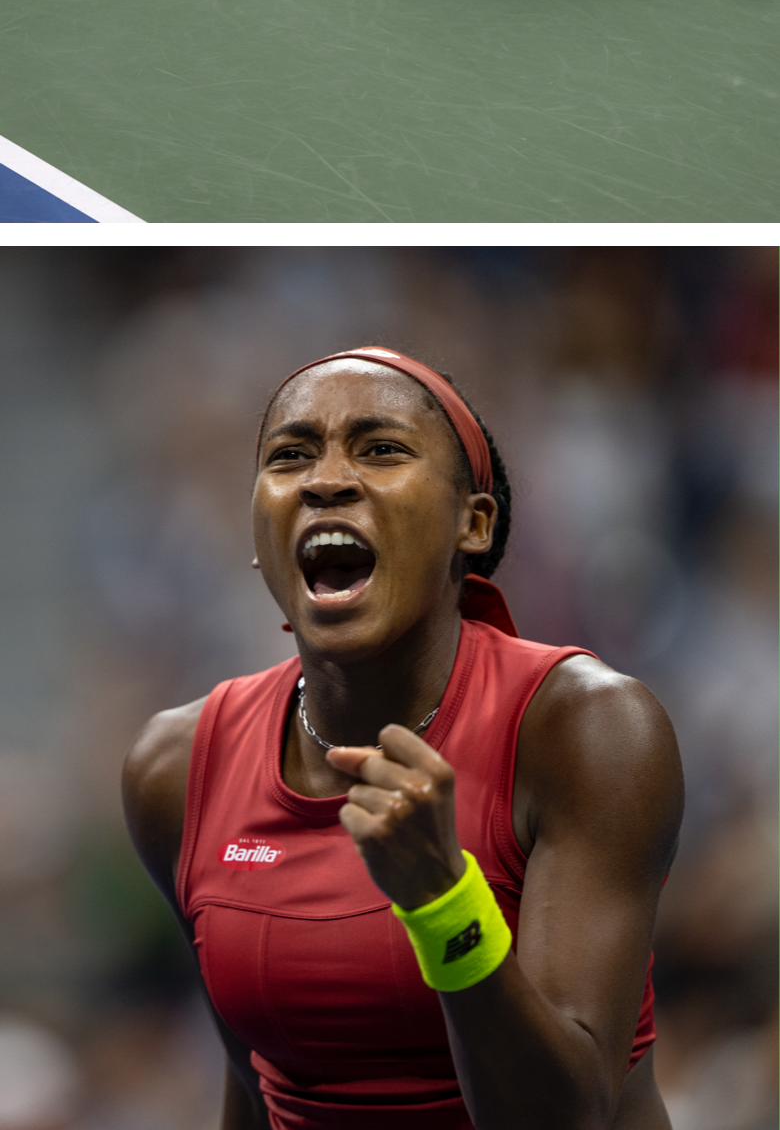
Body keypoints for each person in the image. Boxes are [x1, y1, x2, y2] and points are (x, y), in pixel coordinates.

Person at [123, 344, 685, 1130]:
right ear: (258, 533)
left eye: (380, 448)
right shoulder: (175, 766)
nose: (325, 479)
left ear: (473, 521)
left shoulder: (589, 729)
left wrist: (443, 900)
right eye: (291, 456)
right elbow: (254, 1090)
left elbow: (565, 1117)